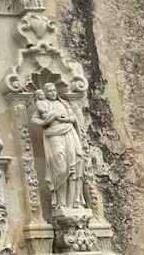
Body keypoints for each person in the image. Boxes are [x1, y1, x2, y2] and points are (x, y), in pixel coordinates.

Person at [29, 83, 86, 211]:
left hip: (69, 133)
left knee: (74, 166)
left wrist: (65, 119)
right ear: (45, 93)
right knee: (61, 168)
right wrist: (46, 121)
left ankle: (73, 202)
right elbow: (34, 120)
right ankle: (61, 202)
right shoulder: (43, 104)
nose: (53, 92)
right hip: (53, 135)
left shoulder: (63, 103)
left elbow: (73, 118)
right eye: (49, 91)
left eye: (54, 90)